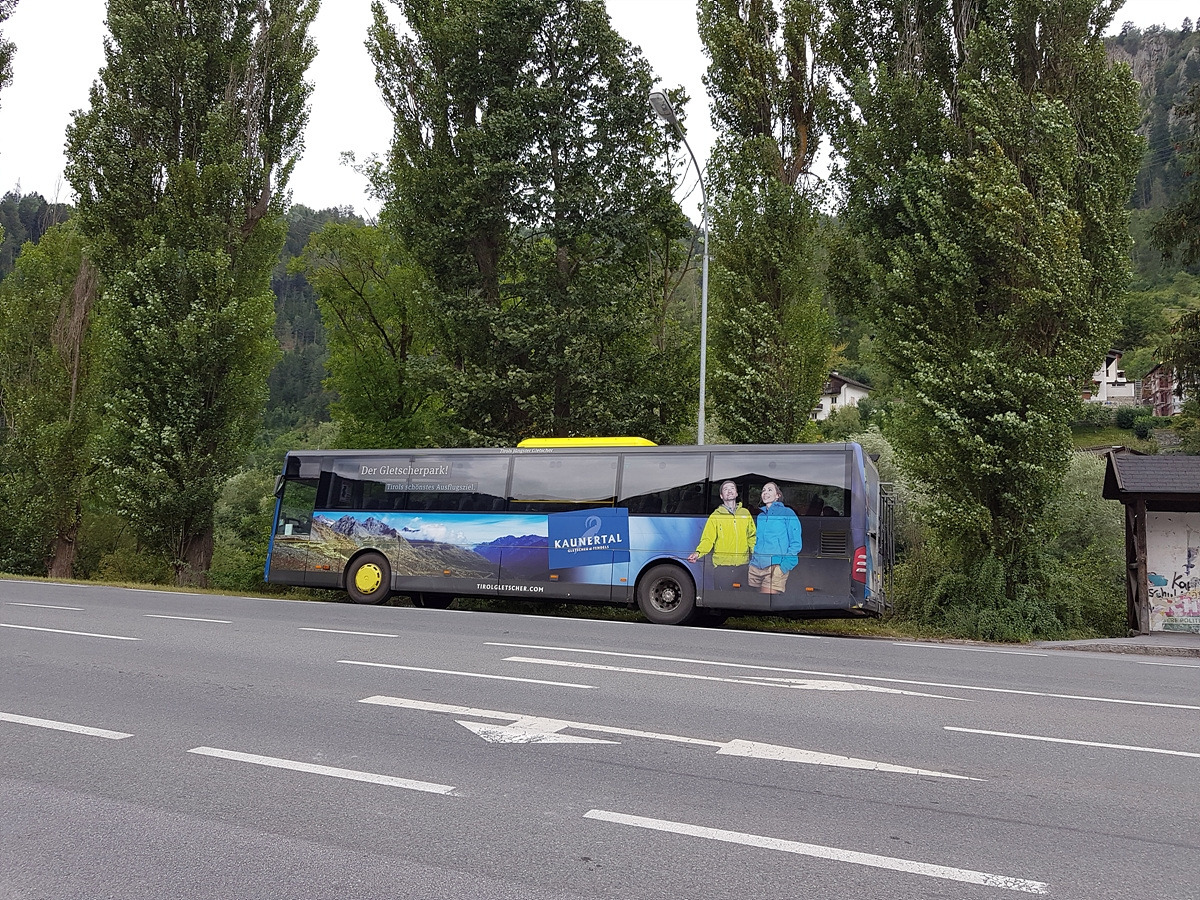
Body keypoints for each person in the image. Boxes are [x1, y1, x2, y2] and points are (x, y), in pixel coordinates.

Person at [688, 480, 755, 591]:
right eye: (725, 489)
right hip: (722, 568)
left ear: (736, 493)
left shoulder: (745, 513)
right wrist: (698, 552)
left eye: (732, 488)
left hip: (743, 567)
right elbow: (708, 539)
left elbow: (751, 537)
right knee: (723, 599)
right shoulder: (715, 516)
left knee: (742, 599)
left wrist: (757, 555)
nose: (729, 491)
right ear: (721, 496)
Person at [749, 481, 803, 595]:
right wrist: (753, 559)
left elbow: (796, 542)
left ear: (778, 495)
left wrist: (784, 566)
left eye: (770, 490)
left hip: (775, 565)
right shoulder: (761, 516)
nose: (765, 492)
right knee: (754, 601)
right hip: (756, 565)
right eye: (763, 490)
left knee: (766, 600)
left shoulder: (787, 513)